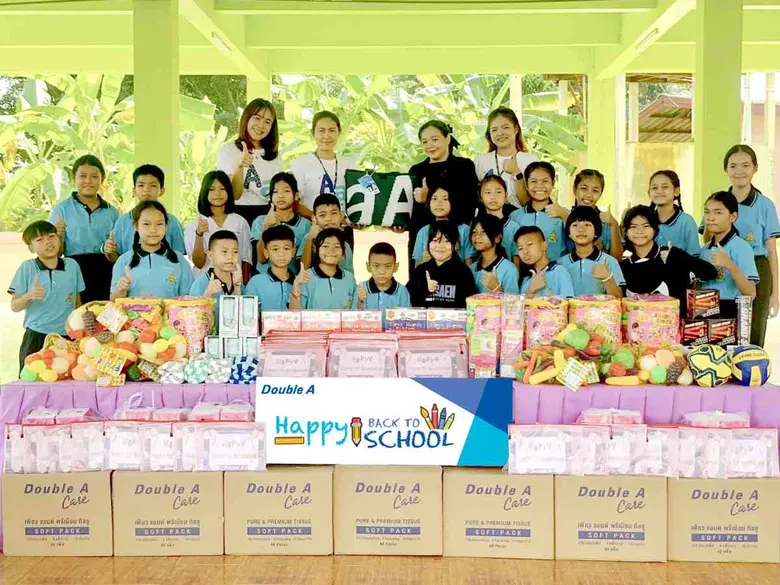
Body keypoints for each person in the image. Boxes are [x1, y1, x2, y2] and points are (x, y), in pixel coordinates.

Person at [720, 145, 779, 345]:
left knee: (753, 329)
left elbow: (771, 251)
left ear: (755, 167)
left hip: (757, 267)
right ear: (726, 170)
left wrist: (775, 294)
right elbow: (708, 238)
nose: (739, 171)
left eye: (745, 165)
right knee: (722, 328)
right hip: (724, 268)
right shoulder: (718, 201)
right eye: (733, 166)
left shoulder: (765, 205)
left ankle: (751, 374)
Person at [9, 221, 84, 371]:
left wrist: (79, 334)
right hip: (37, 337)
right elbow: (15, 306)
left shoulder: (72, 265)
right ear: (31, 248)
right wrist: (29, 295)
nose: (48, 242)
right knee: (32, 384)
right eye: (40, 240)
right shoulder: (27, 268)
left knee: (67, 384)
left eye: (51, 236)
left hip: (67, 338)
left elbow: (77, 304)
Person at [620, 205, 717, 316]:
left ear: (655, 229)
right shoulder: (624, 265)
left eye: (646, 226)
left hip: (672, 327)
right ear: (626, 232)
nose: (639, 231)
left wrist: (680, 256)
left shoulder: (671, 255)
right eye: (633, 227)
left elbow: (710, 273)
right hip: (639, 329)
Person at [50, 155, 118, 302]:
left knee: (105, 316)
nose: (88, 181)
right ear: (74, 178)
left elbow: (116, 254)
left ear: (102, 179)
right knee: (79, 318)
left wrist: (110, 250)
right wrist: (57, 235)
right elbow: (57, 253)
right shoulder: (61, 210)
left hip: (106, 271)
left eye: (94, 176)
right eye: (82, 176)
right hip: (74, 269)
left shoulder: (111, 212)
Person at [110, 201, 193, 300]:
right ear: (136, 226)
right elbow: (113, 301)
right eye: (146, 224)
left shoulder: (179, 260)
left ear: (166, 227)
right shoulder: (123, 261)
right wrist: (121, 290)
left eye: (159, 224)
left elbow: (188, 299)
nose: (153, 230)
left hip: (171, 315)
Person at [699, 191, 759, 318]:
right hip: (703, 311)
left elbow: (751, 293)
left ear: (733, 217)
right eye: (707, 212)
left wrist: (729, 265)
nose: (710, 217)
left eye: (718, 212)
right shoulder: (704, 249)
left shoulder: (741, 247)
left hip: (729, 314)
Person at [106, 164, 186, 259]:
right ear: (134, 190)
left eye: (152, 185)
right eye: (141, 185)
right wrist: (110, 250)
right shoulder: (123, 222)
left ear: (162, 191)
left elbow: (180, 256)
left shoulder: (172, 221)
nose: (146, 190)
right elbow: (114, 258)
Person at [409, 120, 479, 226]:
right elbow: (411, 210)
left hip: (457, 232)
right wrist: (400, 224)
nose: (429, 145)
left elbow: (470, 203)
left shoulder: (464, 166)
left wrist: (428, 199)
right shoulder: (416, 170)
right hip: (423, 234)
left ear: (447, 139)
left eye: (435, 139)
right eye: (425, 142)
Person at [185, 171, 252, 279]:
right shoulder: (195, 224)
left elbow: (245, 259)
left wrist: (242, 288)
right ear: (204, 192)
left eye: (222, 188)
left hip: (233, 284)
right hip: (204, 285)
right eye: (211, 189)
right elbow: (199, 263)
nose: (217, 193)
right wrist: (199, 235)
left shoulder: (240, 222)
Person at [217, 98, 283, 207]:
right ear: (246, 119)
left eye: (267, 122)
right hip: (238, 213)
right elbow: (233, 195)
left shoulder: (275, 155)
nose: (261, 125)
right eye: (257, 118)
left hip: (268, 214)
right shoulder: (229, 150)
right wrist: (239, 166)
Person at [289, 111, 357, 214]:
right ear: (313, 133)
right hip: (312, 227)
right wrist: (317, 218)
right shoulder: (300, 164)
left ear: (339, 133)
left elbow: (356, 198)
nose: (326, 136)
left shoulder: (349, 164)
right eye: (321, 131)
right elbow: (293, 201)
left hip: (342, 227)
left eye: (332, 130)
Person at [474, 107, 537, 207]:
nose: (500, 133)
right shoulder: (481, 161)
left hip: (520, 220)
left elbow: (528, 204)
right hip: (488, 220)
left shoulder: (530, 161)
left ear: (516, 129)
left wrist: (516, 173)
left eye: (505, 127)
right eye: (494, 130)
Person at [407, 220, 477, 308]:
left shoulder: (464, 273)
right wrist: (425, 288)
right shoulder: (420, 271)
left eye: (446, 241)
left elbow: (471, 306)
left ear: (455, 245)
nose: (440, 246)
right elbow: (408, 302)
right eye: (435, 240)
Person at [250, 172, 311, 273]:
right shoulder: (260, 221)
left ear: (296, 195)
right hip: (264, 281)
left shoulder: (306, 225)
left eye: (286, 191)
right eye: (275, 191)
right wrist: (266, 226)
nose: (280, 196)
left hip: (292, 281)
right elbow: (261, 259)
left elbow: (303, 265)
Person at [558, 206, 624, 297]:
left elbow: (619, 299)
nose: (581, 229)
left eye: (587, 225)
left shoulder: (609, 261)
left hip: (601, 311)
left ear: (596, 232)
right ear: (569, 233)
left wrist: (607, 278)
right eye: (575, 225)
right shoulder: (561, 264)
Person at [509, 162, 568, 262]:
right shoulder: (515, 216)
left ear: (553, 184)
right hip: (525, 275)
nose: (539, 186)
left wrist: (566, 217)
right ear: (526, 185)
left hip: (556, 273)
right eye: (533, 181)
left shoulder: (563, 213)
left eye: (545, 181)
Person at [290, 228, 357, 310]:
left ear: (343, 251)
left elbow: (355, 311)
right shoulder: (305, 277)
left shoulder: (349, 278)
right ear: (315, 249)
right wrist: (296, 287)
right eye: (325, 246)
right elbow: (295, 313)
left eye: (337, 246)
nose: (331, 250)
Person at [412, 177, 471, 265]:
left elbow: (469, 264)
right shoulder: (423, 231)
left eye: (445, 199)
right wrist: (424, 262)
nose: (439, 203)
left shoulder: (464, 230)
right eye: (434, 199)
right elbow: (417, 266)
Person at [647, 169, 700, 257]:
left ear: (676, 191)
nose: (659, 191)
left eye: (665, 187)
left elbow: (694, 256)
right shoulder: (646, 220)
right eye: (654, 188)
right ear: (649, 193)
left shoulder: (687, 221)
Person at [571, 169, 622, 258]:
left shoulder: (607, 222)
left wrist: (614, 225)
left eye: (595, 190)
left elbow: (617, 258)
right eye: (584, 188)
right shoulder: (564, 217)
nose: (589, 194)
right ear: (575, 190)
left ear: (601, 193)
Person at [245, 225, 296, 310]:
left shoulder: (300, 282)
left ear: (293, 252)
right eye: (275, 249)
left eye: (286, 249)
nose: (281, 254)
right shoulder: (256, 283)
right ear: (266, 253)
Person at [515, 226, 574, 298]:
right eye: (520, 248)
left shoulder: (559, 271)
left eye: (530, 244)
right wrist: (531, 290)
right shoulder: (526, 279)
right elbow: (520, 307)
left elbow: (568, 302)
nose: (525, 251)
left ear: (544, 245)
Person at [301, 193, 354, 272]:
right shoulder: (309, 239)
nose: (329, 219)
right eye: (322, 215)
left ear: (340, 216)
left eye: (333, 213)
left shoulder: (345, 244)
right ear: (314, 218)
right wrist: (310, 239)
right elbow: (303, 269)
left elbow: (349, 274)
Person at [468, 214, 520, 294]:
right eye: (474, 232)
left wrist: (497, 288)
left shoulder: (509, 269)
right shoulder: (471, 269)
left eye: (483, 232)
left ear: (497, 238)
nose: (477, 236)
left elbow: (513, 303)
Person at [189, 230, 243, 305]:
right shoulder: (200, 284)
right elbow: (193, 313)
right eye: (224, 251)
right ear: (210, 255)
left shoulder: (237, 281)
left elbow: (241, 312)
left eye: (235, 252)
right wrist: (207, 294)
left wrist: (237, 287)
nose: (230, 257)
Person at [476, 176, 522, 261]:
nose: (493, 197)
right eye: (488, 193)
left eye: (498, 192)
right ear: (481, 197)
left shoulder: (514, 227)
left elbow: (516, 257)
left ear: (506, 196)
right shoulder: (477, 226)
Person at [357, 242, 411, 310]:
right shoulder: (361, 289)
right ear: (368, 267)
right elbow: (353, 317)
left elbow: (407, 317)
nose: (382, 272)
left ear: (395, 267)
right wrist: (360, 301)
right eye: (376, 266)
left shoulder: (402, 291)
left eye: (388, 266)